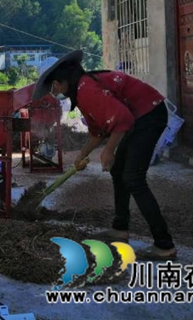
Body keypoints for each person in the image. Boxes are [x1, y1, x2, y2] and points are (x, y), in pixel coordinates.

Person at [32, 50, 176, 259]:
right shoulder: (81, 92)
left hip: (149, 114)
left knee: (133, 179)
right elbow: (98, 131)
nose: (54, 92)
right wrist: (83, 154)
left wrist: (109, 151)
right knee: (119, 172)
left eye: (53, 87)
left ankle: (164, 245)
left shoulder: (87, 89)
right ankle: (120, 229)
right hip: (139, 118)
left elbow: (122, 120)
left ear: (62, 82)